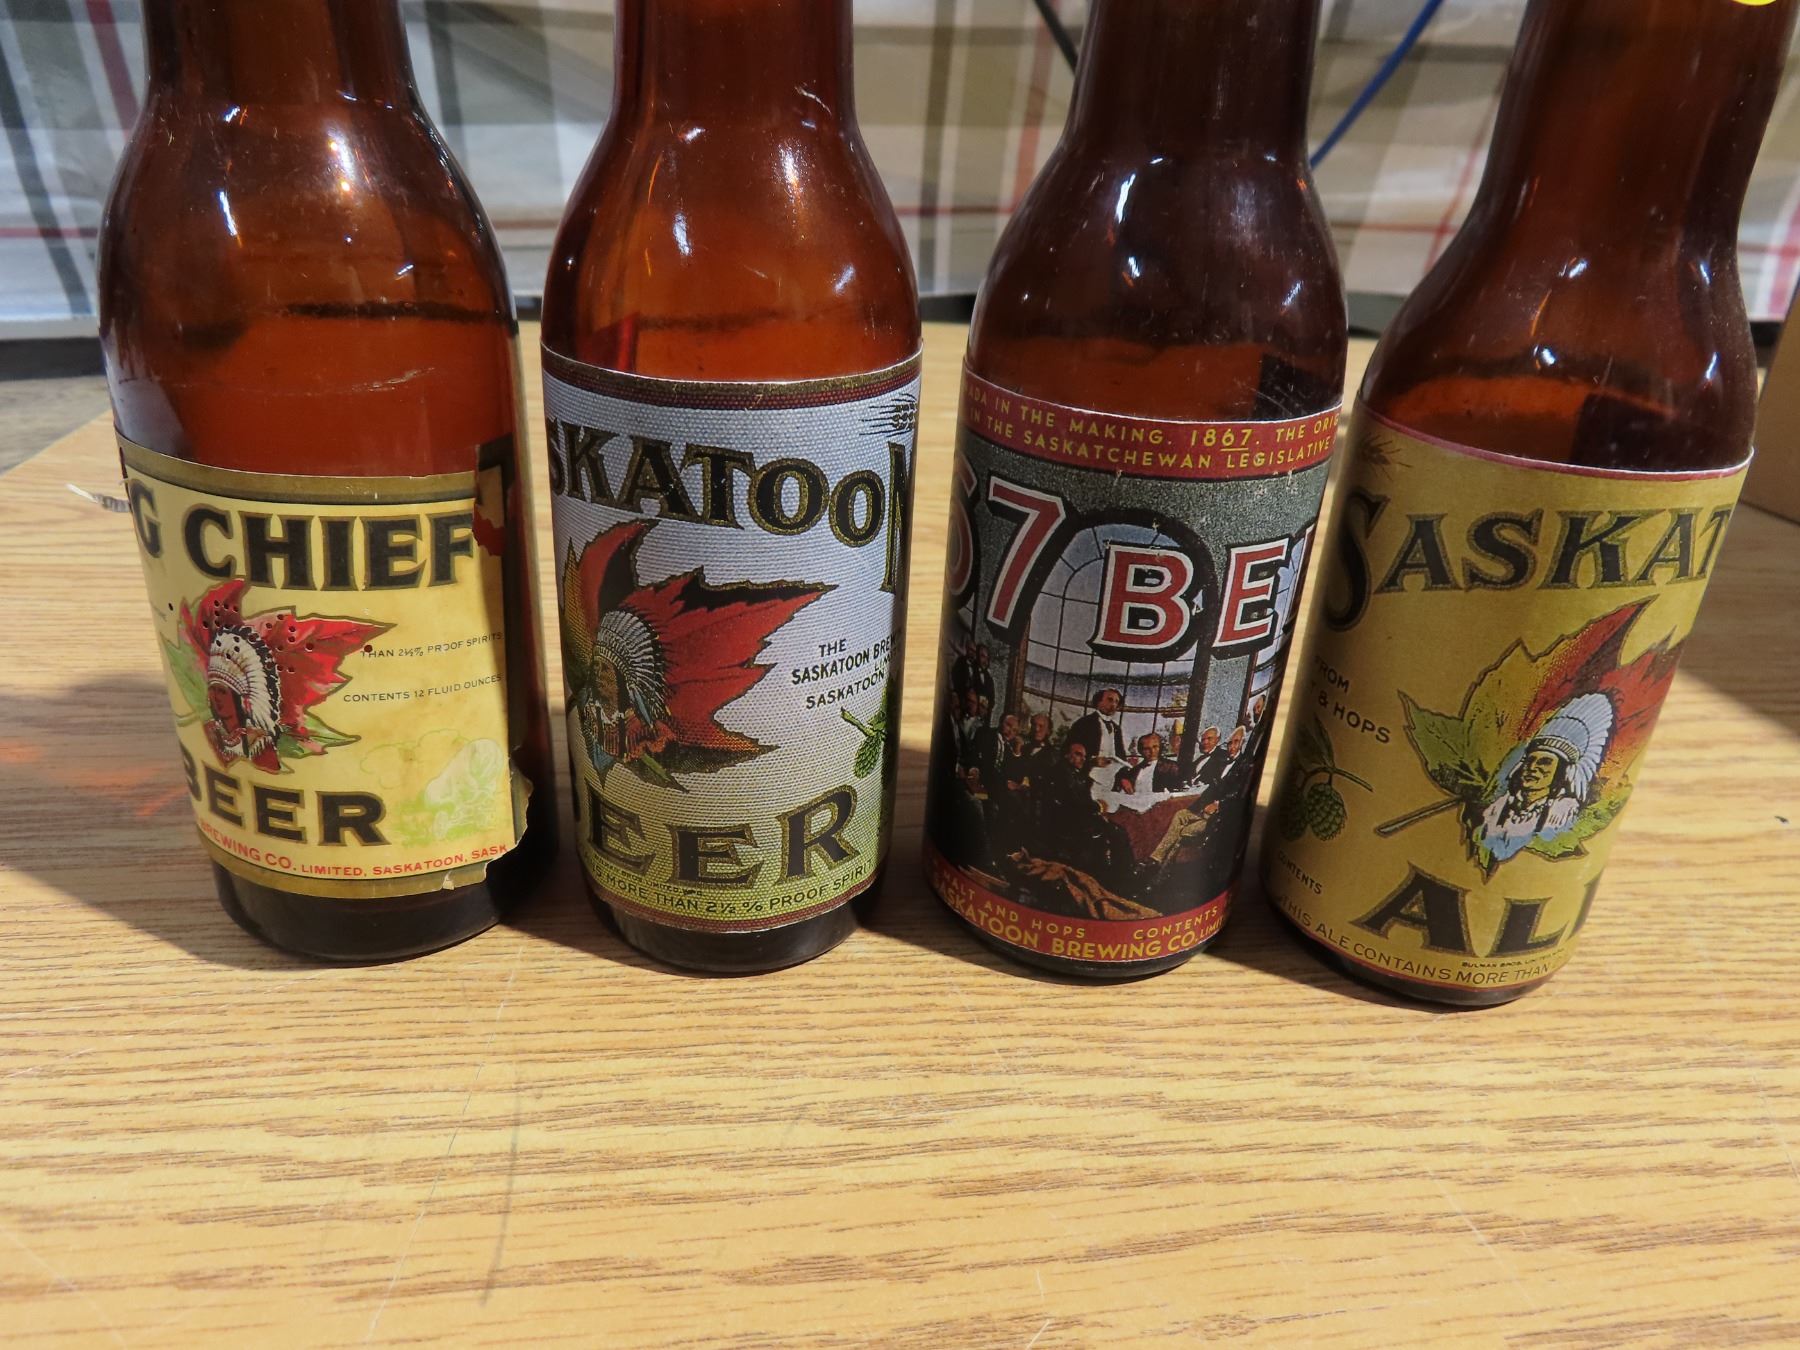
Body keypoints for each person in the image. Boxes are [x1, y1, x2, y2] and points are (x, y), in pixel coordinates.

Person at [1476, 692, 1613, 866]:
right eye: (1530, 760)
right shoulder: (1501, 804)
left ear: (1561, 772)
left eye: (1545, 762)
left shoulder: (1563, 809)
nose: (1532, 767)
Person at [1068, 688, 1129, 763]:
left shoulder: (1116, 728)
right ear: (1098, 702)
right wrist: (1092, 761)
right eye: (1110, 700)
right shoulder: (1084, 723)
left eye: (1116, 702)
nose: (1113, 704)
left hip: (1113, 769)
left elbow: (1121, 754)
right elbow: (1070, 751)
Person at [1114, 730, 1184, 793]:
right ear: (1141, 751)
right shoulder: (1135, 770)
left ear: (1160, 747)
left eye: (1155, 747)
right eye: (1147, 748)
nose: (1152, 751)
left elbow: (1179, 791)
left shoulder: (1171, 767)